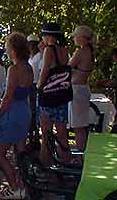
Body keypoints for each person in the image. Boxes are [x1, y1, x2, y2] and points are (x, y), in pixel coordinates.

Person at [0, 32, 33, 199]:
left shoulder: (14, 69)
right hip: (24, 111)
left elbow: (8, 97)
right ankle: (22, 186)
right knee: (20, 152)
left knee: (0, 154)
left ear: (13, 49)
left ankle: (14, 187)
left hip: (12, 114)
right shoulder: (28, 67)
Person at [36, 23, 71, 165]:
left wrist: (38, 86)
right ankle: (66, 163)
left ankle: (46, 165)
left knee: (46, 134)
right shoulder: (64, 50)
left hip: (49, 97)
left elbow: (44, 72)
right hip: (62, 95)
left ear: (48, 35)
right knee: (62, 134)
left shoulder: (49, 50)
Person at [69, 26, 95, 152]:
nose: (74, 38)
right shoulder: (90, 52)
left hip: (77, 90)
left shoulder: (80, 52)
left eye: (76, 36)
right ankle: (83, 152)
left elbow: (68, 67)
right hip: (84, 88)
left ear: (82, 38)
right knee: (82, 125)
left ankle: (81, 155)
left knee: (78, 126)